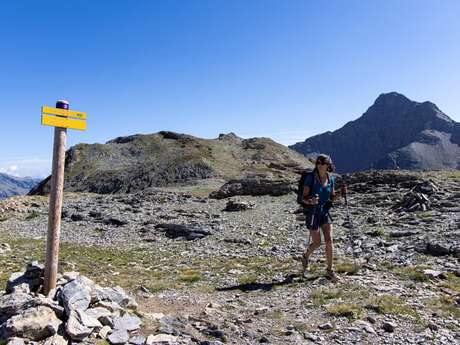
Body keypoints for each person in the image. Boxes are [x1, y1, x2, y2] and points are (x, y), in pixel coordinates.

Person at [300, 154, 346, 281]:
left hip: (325, 212)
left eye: (322, 162)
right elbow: (304, 198)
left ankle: (330, 270)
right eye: (318, 162)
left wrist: (340, 194)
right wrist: (311, 201)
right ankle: (305, 256)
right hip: (313, 212)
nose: (319, 165)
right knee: (317, 242)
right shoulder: (310, 178)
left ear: (328, 165)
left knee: (329, 240)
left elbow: (331, 197)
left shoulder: (330, 179)